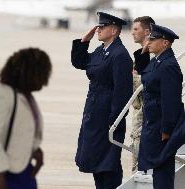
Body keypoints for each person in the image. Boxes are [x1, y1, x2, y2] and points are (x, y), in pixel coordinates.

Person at [71, 12, 133, 189]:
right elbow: (80, 62)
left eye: (102, 27)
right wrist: (84, 40)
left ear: (113, 30)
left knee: (108, 163)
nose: (98, 29)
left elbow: (122, 92)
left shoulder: (119, 54)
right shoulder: (103, 50)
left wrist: (114, 120)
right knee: (96, 161)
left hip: (107, 116)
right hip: (95, 111)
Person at [0, 48, 52, 189]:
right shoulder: (5, 96)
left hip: (23, 169)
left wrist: (35, 149)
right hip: (4, 174)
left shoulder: (27, 97)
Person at [135, 24, 182, 189]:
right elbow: (143, 71)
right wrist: (144, 51)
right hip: (153, 122)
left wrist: (167, 129)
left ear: (165, 43)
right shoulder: (158, 61)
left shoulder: (168, 66)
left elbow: (171, 101)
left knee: (163, 168)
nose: (149, 41)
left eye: (153, 39)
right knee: (158, 167)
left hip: (161, 126)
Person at [131, 16, 155, 173]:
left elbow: (148, 84)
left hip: (146, 116)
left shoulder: (153, 56)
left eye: (135, 29)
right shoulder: (141, 55)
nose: (132, 33)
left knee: (140, 168)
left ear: (147, 31)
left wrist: (133, 76)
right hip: (139, 113)